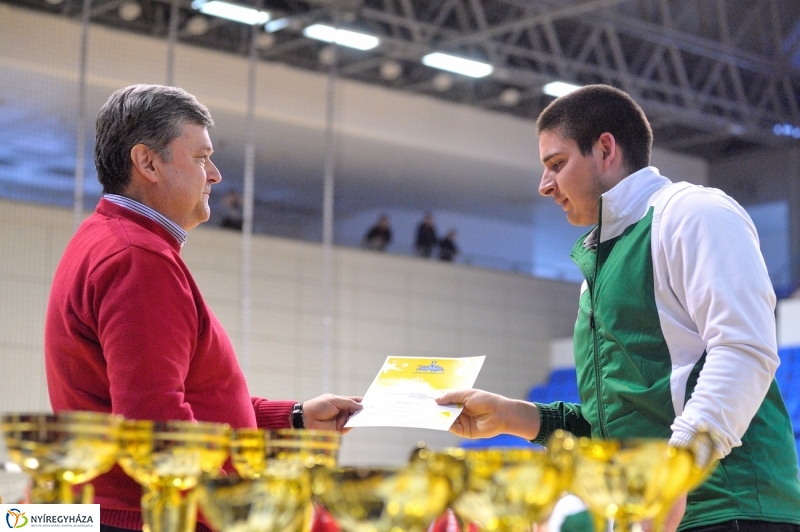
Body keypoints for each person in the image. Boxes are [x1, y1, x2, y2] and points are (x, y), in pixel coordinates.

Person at [436, 85, 800, 531]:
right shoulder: (600, 262)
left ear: (605, 149)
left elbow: (745, 350)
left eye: (556, 164)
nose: (544, 185)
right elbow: (613, 427)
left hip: (732, 510)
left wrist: (673, 472)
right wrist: (516, 416)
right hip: (651, 512)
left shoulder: (694, 212)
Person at [44, 85, 362, 532]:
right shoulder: (137, 256)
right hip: (148, 517)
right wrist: (242, 508)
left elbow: (186, 397)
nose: (213, 174)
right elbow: (159, 424)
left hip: (115, 512)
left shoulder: (110, 239)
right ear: (147, 162)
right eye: (200, 157)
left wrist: (292, 418)